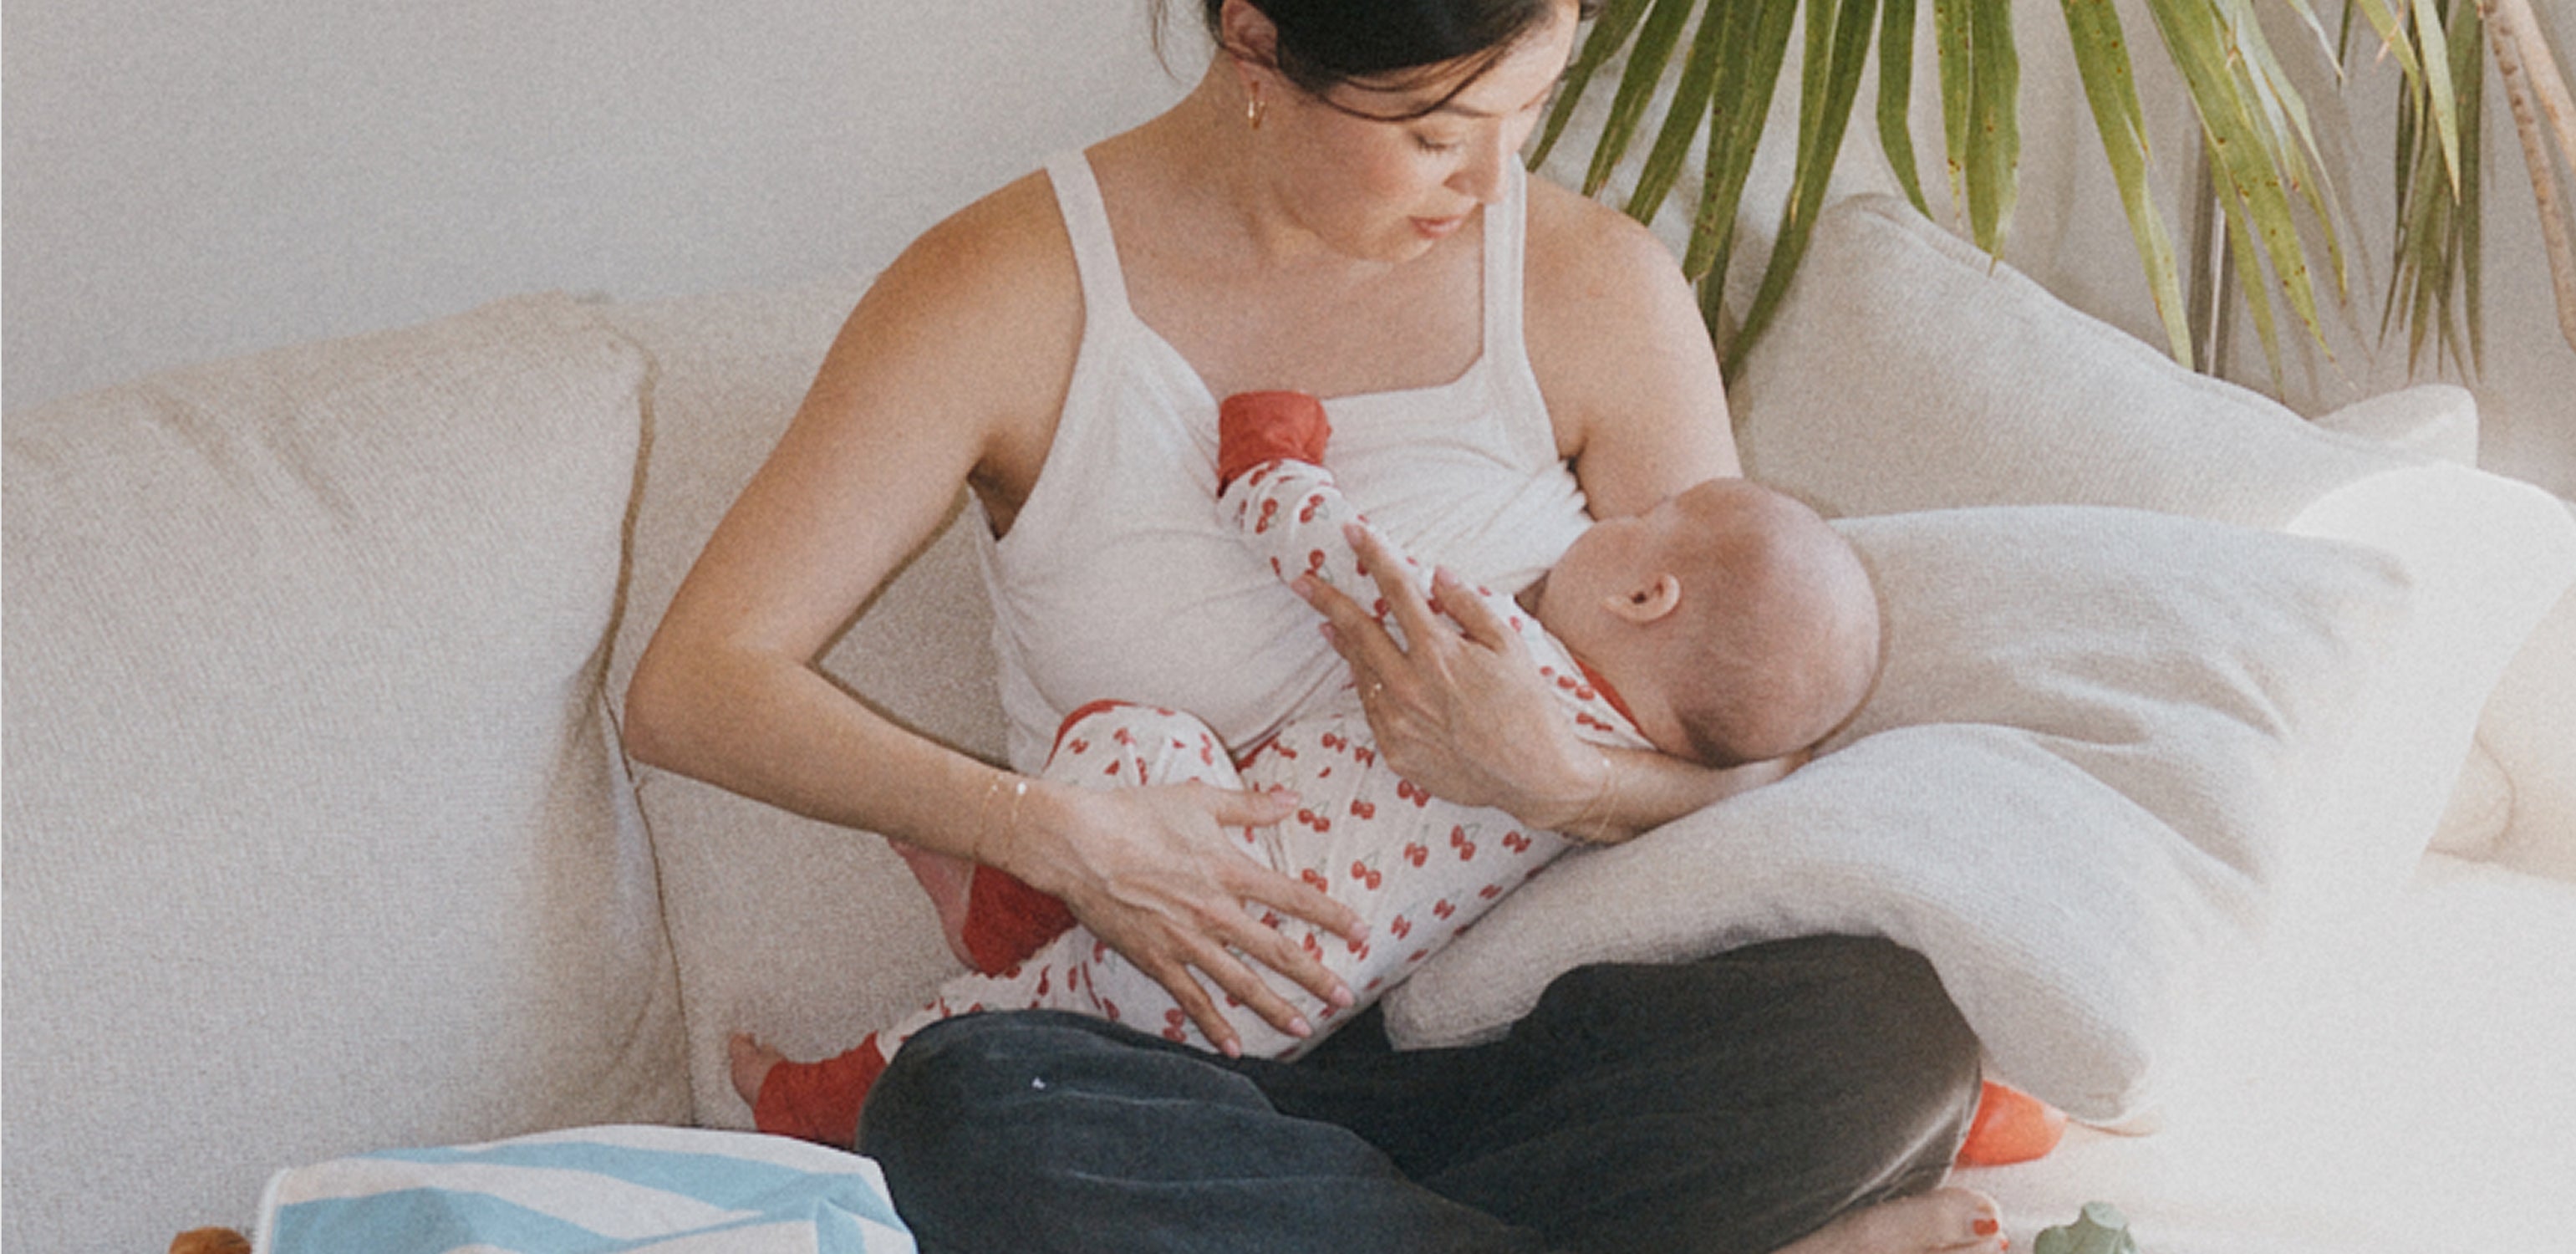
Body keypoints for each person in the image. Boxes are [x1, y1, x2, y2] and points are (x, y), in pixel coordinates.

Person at [619, 0, 2000, 1250]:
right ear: (1256, 41)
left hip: (1509, 1040)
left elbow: (1755, 761)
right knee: (966, 1111)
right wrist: (1055, 834)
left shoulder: (1594, 286)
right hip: (1185, 1062)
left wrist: (1572, 785)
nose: (1495, 177)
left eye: (1530, 111)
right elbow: (695, 688)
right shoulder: (1004, 290)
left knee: (1887, 1041)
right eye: (1435, 131)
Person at [727, 387, 1886, 1144]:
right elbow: (1769, 771)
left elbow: (1342, 570)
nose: (1614, 516)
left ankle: (863, 1046)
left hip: (1212, 895)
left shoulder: (1503, 656)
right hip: (1284, 1013)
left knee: (1139, 743)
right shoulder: (1634, 780)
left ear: (1647, 593)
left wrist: (1268, 455)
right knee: (1006, 1019)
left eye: (1653, 515)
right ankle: (948, 970)